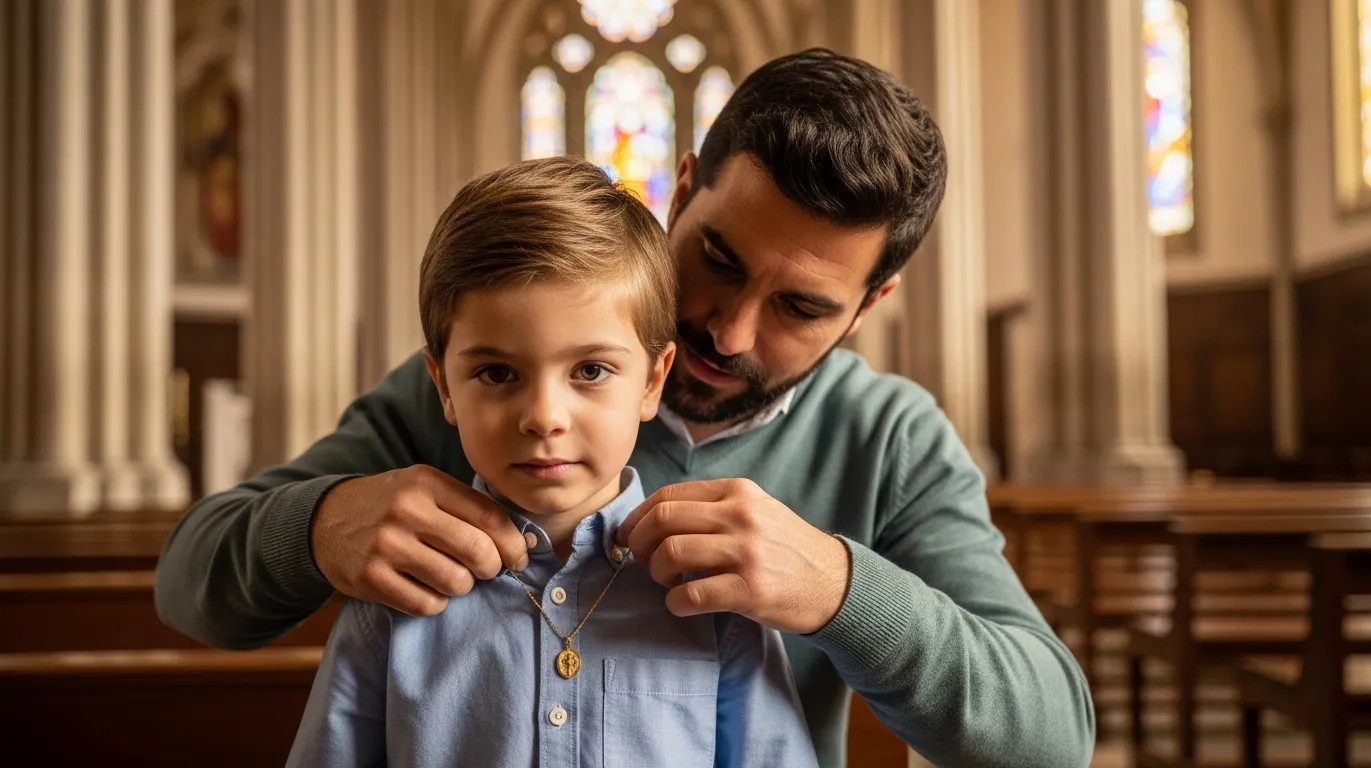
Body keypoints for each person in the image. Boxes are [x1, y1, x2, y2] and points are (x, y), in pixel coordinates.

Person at [156, 48, 1095, 768]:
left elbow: (1052, 738)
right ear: (680, 192)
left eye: (802, 308)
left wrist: (839, 591)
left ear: (867, 305)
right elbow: (191, 586)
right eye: (718, 258)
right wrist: (318, 525)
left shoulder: (892, 439)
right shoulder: (478, 389)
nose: (728, 329)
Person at [285, 157, 818, 767]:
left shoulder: (712, 597)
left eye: (590, 370)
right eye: (497, 373)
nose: (543, 417)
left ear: (652, 381)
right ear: (444, 388)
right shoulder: (396, 596)